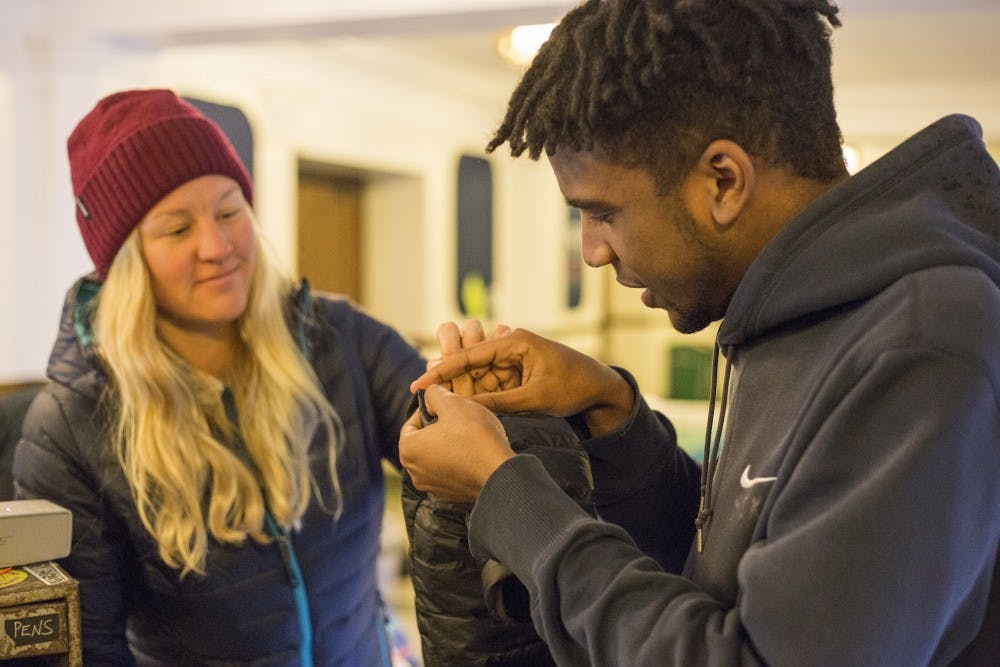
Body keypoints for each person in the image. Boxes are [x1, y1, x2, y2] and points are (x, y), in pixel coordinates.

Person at [398, 1, 1000, 665]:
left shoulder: (925, 341)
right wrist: (613, 412)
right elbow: (739, 566)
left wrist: (503, 491)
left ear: (723, 181)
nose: (592, 250)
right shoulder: (789, 318)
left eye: (602, 213)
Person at [13, 89, 427, 665]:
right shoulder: (72, 424)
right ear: (127, 261)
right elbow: (87, 646)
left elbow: (446, 436)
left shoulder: (338, 339)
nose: (217, 246)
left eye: (230, 212)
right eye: (177, 229)